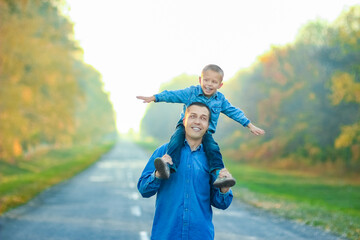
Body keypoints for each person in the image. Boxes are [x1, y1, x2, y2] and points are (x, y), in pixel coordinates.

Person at [137, 64, 265, 188]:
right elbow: (173, 95)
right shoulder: (191, 93)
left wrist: (249, 125)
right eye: (206, 80)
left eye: (214, 82)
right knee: (175, 141)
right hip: (184, 126)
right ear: (200, 80)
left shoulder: (220, 100)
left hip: (206, 132)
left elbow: (233, 111)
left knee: (213, 149)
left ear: (220, 85)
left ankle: (220, 176)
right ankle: (168, 167)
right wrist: (155, 97)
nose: (209, 84)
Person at [138, 102, 233, 240]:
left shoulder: (213, 159)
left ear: (208, 125)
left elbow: (221, 203)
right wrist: (158, 174)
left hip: (200, 235)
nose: (197, 122)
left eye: (203, 118)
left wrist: (224, 190)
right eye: (193, 116)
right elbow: (143, 189)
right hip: (166, 235)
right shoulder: (164, 152)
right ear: (184, 120)